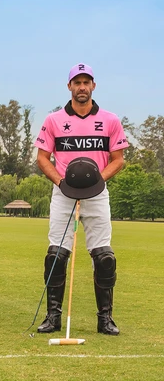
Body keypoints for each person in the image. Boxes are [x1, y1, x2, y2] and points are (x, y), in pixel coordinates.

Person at [34, 63, 128, 335]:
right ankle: (53, 317)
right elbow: (42, 158)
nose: (82, 87)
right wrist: (61, 182)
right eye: (77, 82)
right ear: (69, 86)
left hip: (97, 195)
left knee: (104, 256)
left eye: (87, 82)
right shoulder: (53, 120)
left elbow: (118, 160)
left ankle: (105, 318)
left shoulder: (110, 120)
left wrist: (98, 180)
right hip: (64, 194)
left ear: (94, 86)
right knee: (56, 255)